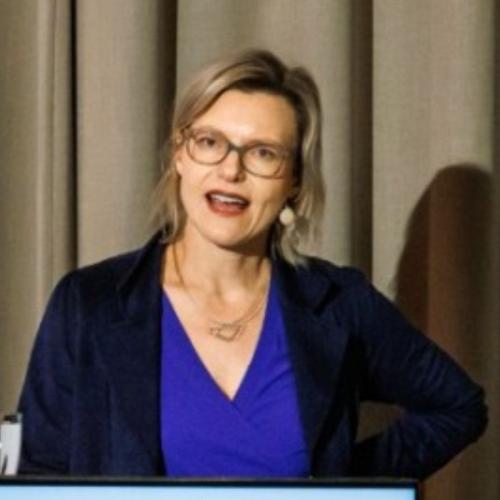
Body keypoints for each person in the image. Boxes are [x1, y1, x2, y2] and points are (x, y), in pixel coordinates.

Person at [18, 49, 487, 478]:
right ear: (180, 155)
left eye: (263, 153)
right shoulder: (89, 304)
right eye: (209, 142)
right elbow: (40, 473)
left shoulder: (340, 304)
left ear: (294, 181)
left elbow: (458, 407)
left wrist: (341, 485)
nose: (231, 170)